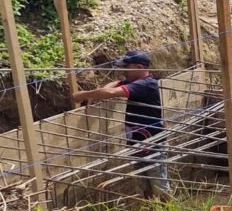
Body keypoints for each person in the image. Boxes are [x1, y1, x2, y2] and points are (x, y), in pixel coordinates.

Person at [73, 50, 171, 201]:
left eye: (126, 67)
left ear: (139, 67)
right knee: (145, 188)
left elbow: (109, 93)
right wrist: (119, 81)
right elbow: (112, 86)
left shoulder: (146, 85)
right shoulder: (133, 82)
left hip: (153, 144)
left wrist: (84, 95)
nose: (123, 70)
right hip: (137, 144)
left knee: (160, 187)